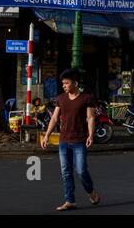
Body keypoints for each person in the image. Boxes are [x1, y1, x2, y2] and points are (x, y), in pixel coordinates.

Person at [40, 69, 100, 211]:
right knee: (66, 171)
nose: (64, 86)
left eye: (66, 83)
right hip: (64, 141)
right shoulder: (60, 98)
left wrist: (91, 135)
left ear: (75, 83)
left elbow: (91, 117)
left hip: (79, 140)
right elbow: (54, 118)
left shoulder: (86, 98)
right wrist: (47, 135)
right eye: (63, 83)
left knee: (81, 171)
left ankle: (91, 192)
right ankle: (70, 200)